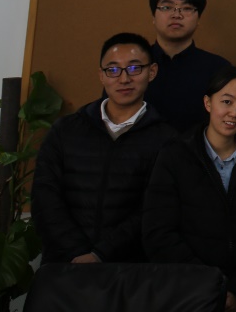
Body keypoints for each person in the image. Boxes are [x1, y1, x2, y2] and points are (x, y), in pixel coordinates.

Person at [143, 66, 236, 312]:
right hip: (185, 295)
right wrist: (210, 286)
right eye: (226, 102)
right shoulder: (175, 155)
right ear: (208, 103)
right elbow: (158, 231)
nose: (234, 113)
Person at [32, 33, 177, 264]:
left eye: (134, 68)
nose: (124, 79)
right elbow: (44, 196)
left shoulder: (167, 140)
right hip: (64, 264)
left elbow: (154, 208)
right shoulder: (66, 130)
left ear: (152, 72)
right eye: (113, 69)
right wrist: (76, 252)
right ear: (101, 75)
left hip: (127, 268)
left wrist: (100, 254)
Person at [144, 0, 229, 131]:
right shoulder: (132, 65)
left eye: (187, 8)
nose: (176, 15)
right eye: (166, 7)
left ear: (198, 19)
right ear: (153, 17)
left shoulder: (219, 69)